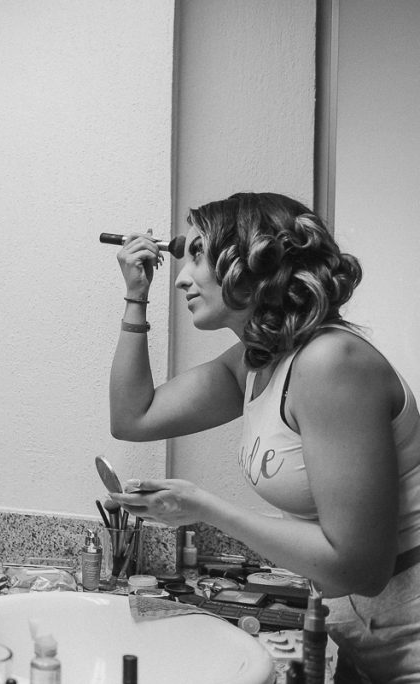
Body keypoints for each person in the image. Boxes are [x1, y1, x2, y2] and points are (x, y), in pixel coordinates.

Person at [108, 192, 420, 682]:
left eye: (197, 255)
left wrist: (208, 508)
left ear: (249, 261)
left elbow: (360, 567)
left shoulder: (329, 363)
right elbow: (134, 417)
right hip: (360, 635)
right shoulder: (254, 362)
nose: (182, 277)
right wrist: (134, 293)